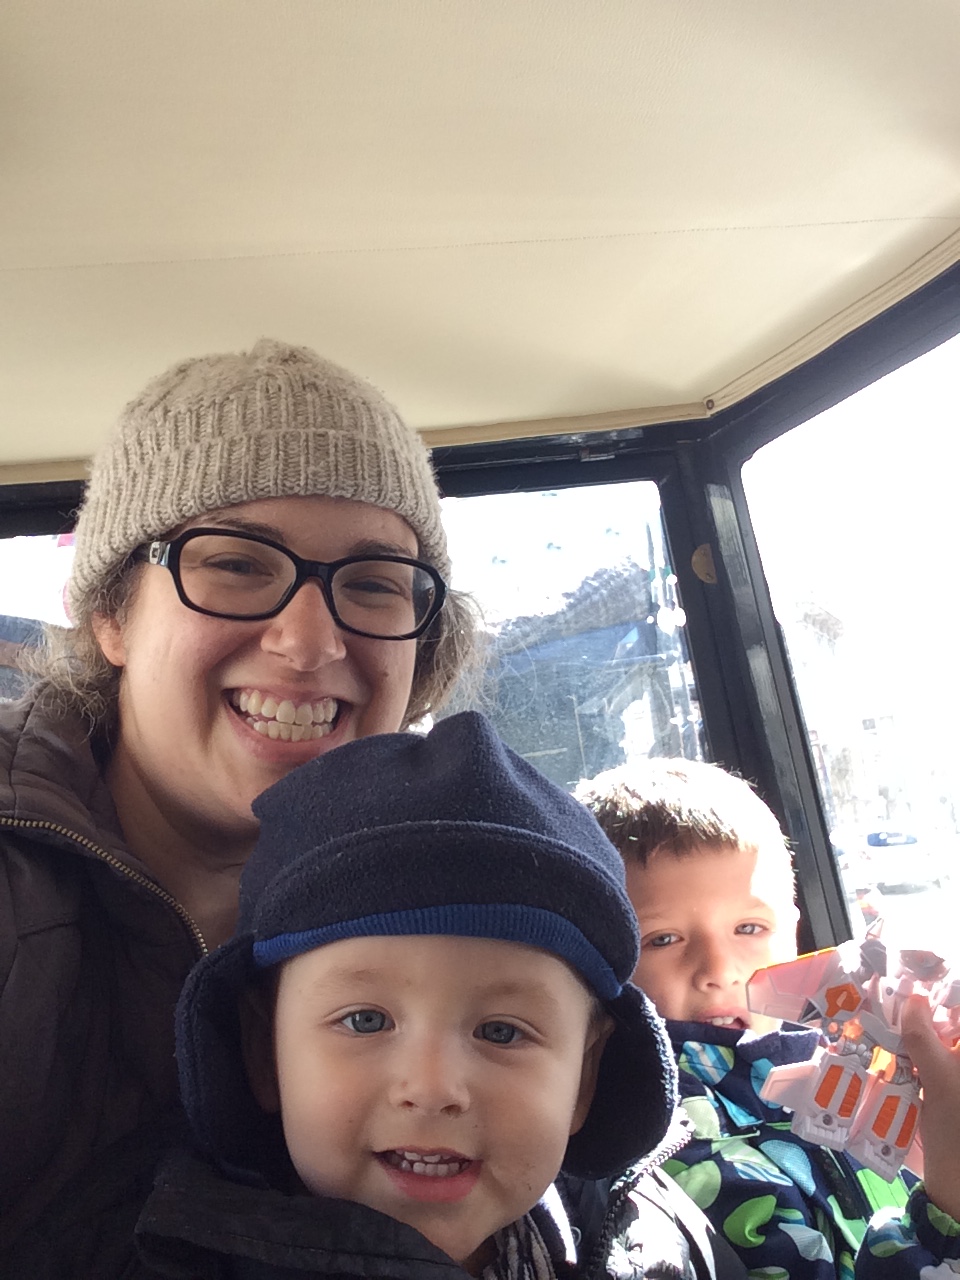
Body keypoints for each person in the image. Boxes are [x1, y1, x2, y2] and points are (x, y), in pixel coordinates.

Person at [0, 339, 476, 1276]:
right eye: (236, 564)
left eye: (373, 584)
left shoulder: (474, 885)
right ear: (112, 616)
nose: (310, 641)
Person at [133, 711, 740, 1280]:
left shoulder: (650, 1237)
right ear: (264, 1053)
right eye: (365, 1020)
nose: (431, 1088)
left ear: (584, 1077)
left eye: (501, 1032)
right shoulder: (168, 1255)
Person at [577, 758, 960, 1280]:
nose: (719, 971)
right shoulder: (660, 1139)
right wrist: (949, 1208)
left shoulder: (843, 1055)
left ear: (793, 933)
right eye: (662, 939)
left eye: (750, 928)